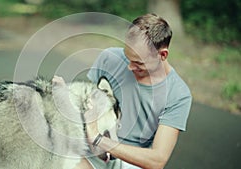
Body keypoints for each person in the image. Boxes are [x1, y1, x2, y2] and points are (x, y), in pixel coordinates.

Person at [75, 13, 192, 169]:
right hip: (92, 151)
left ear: (162, 55)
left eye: (138, 63)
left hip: (132, 160)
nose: (129, 67)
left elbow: (157, 160)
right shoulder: (109, 58)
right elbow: (86, 104)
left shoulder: (178, 94)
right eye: (127, 57)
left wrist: (99, 139)